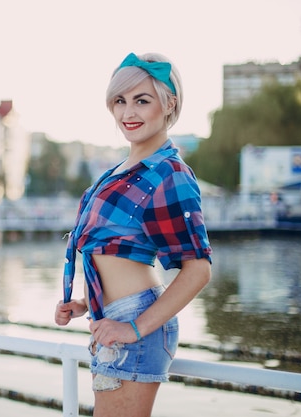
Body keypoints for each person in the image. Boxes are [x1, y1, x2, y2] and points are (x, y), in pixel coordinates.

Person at [55, 52, 213, 417]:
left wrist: (135, 328)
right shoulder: (120, 169)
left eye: (142, 100)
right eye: (120, 101)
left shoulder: (169, 173)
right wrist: (85, 303)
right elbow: (114, 251)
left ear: (169, 103)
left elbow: (198, 269)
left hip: (137, 322)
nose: (128, 112)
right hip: (112, 316)